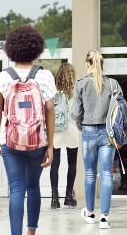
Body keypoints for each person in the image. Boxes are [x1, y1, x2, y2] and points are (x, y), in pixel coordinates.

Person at [0, 25, 55, 235]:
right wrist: (51, 146)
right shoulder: (44, 76)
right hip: (39, 141)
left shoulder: (2, 77)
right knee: (33, 186)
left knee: (16, 188)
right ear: (36, 49)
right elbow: (50, 111)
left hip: (10, 141)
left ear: (11, 50)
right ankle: (31, 232)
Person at [71, 50, 123, 229]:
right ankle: (104, 218)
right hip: (108, 134)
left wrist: (82, 126)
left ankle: (91, 212)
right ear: (102, 64)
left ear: (87, 64)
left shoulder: (81, 84)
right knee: (107, 173)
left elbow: (75, 113)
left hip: (88, 131)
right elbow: (121, 111)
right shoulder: (113, 84)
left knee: (90, 173)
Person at [50, 62, 79, 209]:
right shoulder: (76, 91)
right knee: (72, 164)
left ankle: (54, 199)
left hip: (56, 130)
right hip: (72, 130)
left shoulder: (53, 91)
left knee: (55, 165)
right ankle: (68, 196)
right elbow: (79, 113)